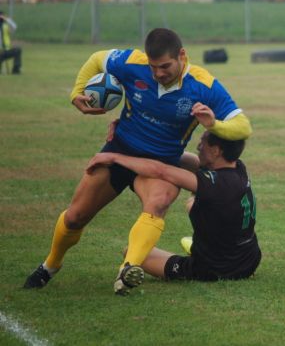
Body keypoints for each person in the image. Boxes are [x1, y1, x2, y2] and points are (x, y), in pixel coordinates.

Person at [23, 28, 252, 294]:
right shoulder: (133, 63)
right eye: (153, 67)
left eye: (165, 66)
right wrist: (76, 92)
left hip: (160, 165)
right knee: (75, 217)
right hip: (120, 150)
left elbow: (243, 126)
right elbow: (98, 58)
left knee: (160, 200)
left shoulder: (203, 84)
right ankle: (50, 265)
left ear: (182, 55)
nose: (158, 74)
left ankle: (127, 271)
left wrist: (215, 125)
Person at [85, 129, 260, 285]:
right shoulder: (238, 168)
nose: (198, 146)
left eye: (203, 142)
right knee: (194, 204)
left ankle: (196, 256)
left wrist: (114, 156)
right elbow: (191, 162)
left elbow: (161, 171)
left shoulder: (213, 185)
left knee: (132, 252)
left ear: (216, 150)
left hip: (213, 268)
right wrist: (156, 151)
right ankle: (200, 246)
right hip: (249, 259)